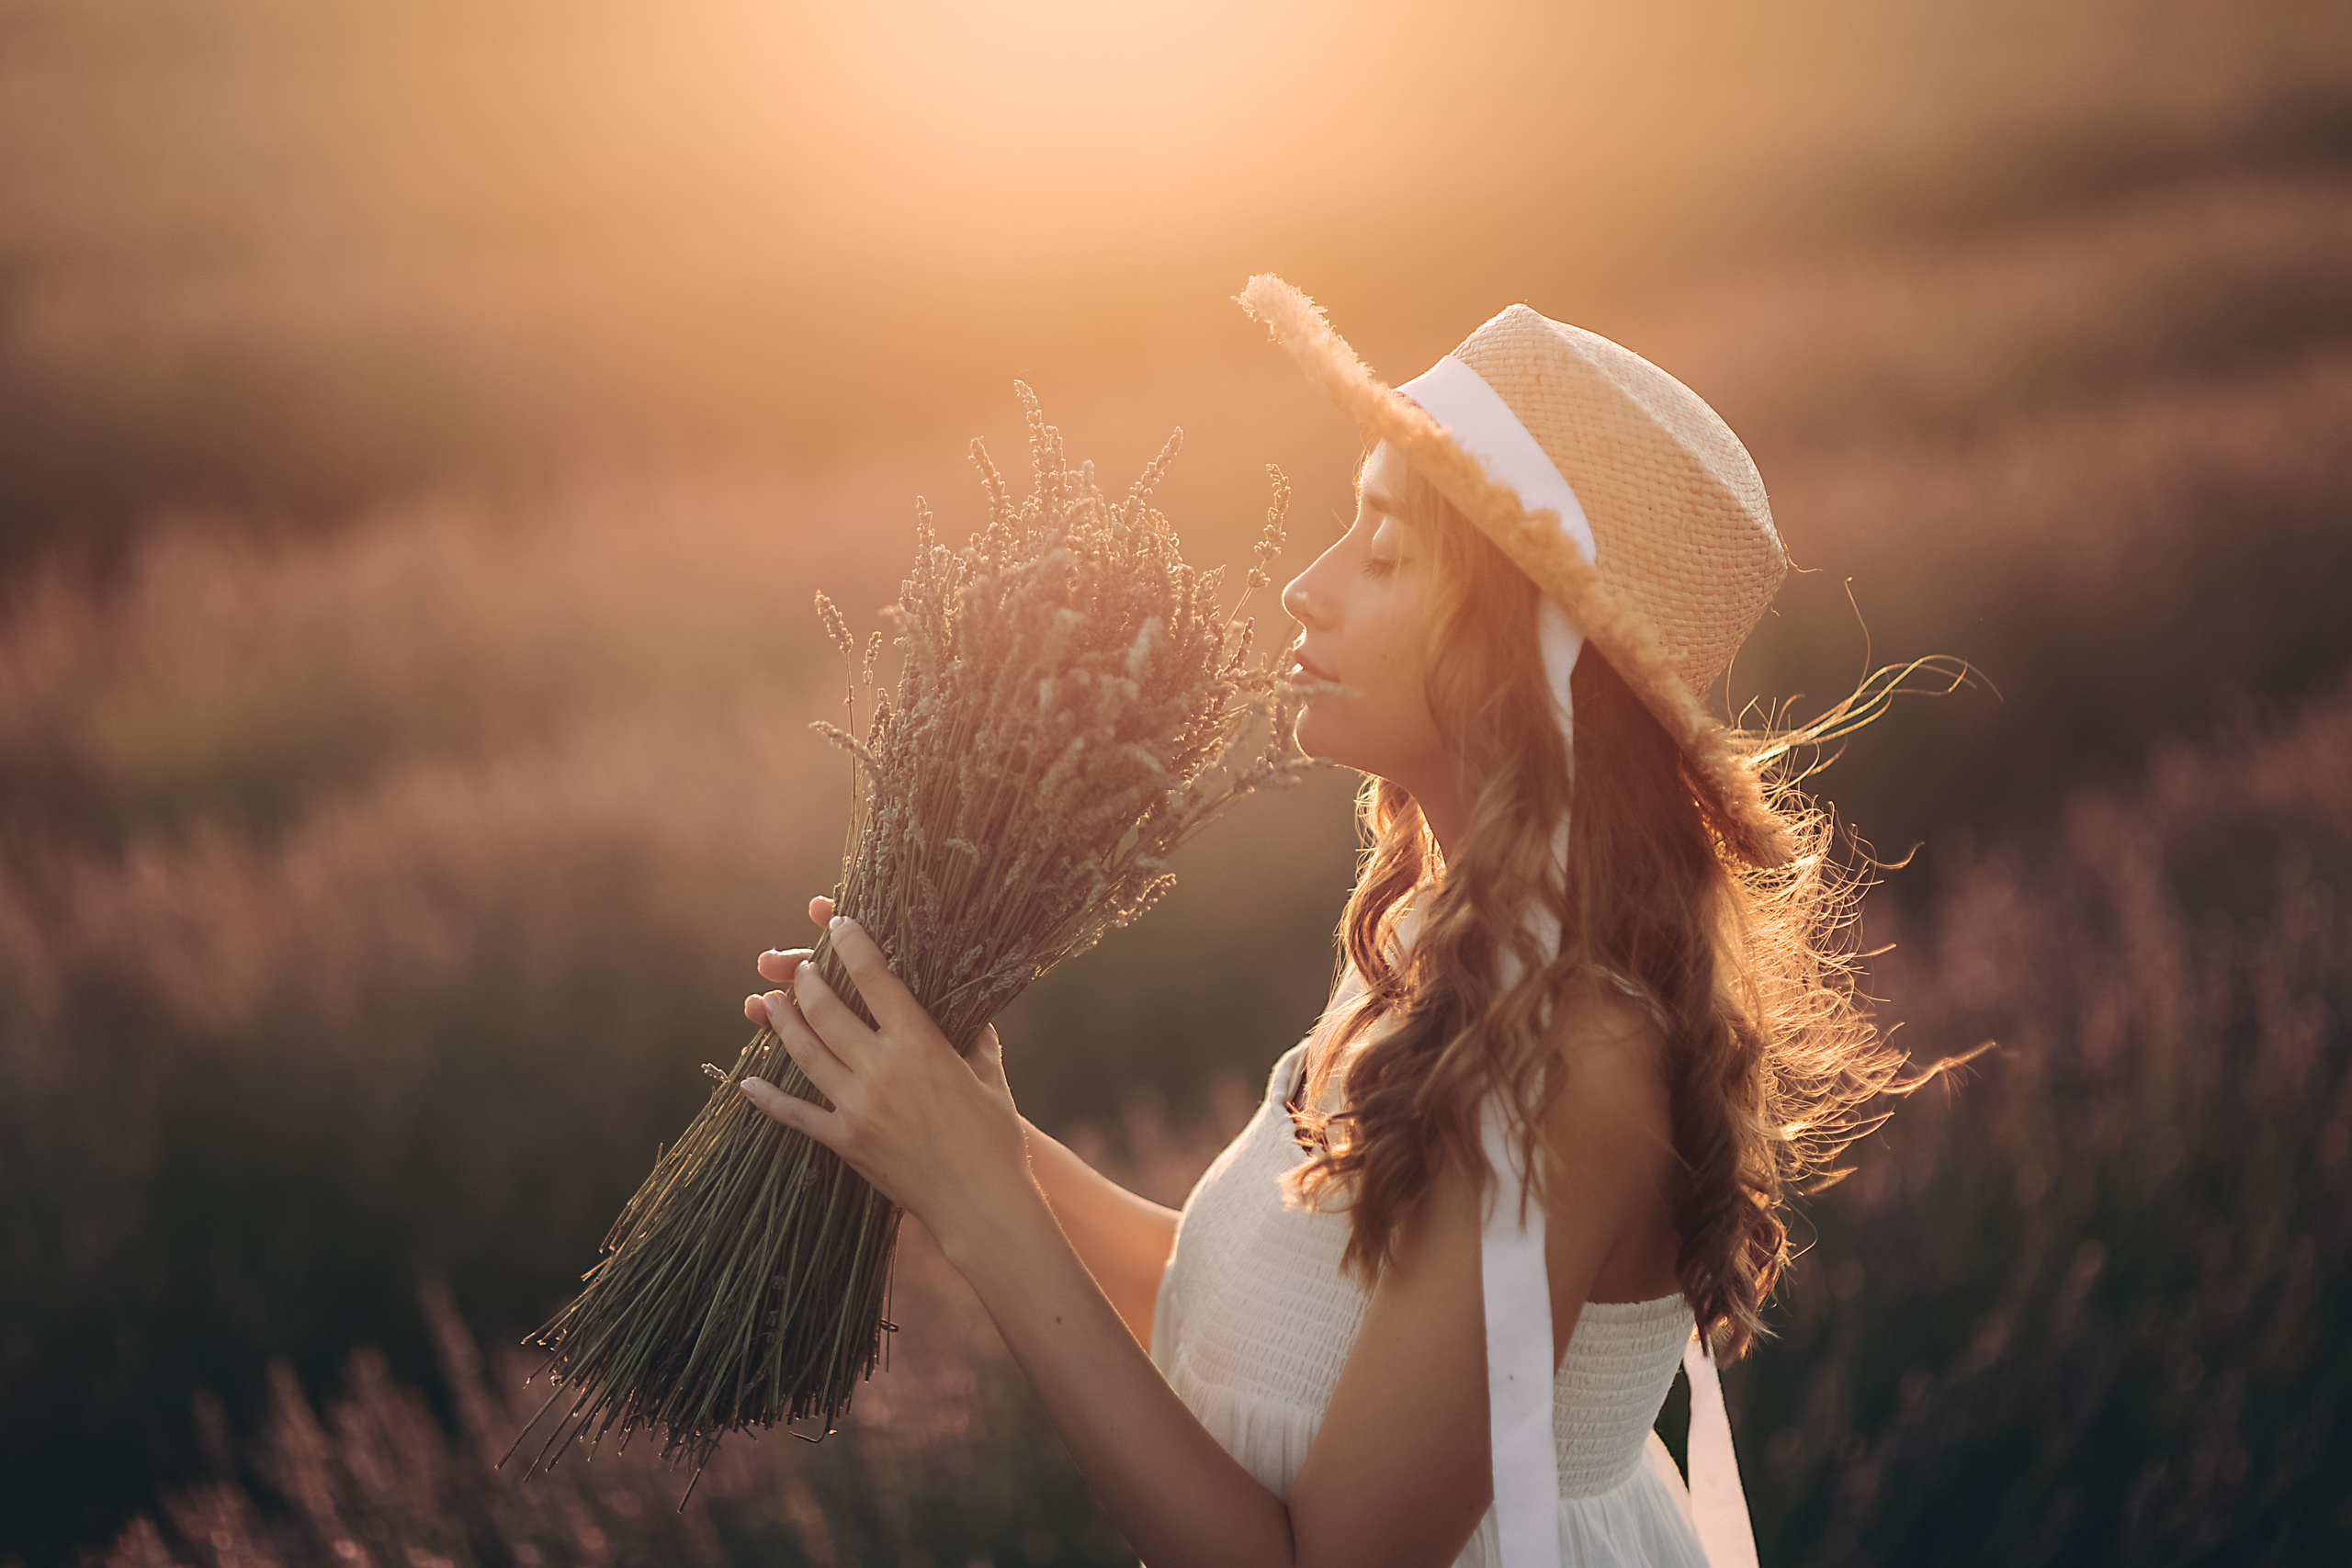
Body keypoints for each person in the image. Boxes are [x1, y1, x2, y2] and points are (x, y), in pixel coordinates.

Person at [736, 276, 1924, 1567]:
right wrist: (980, 1136)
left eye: (1386, 551)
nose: (1305, 587)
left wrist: (977, 1203)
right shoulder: (1444, 934)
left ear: (1528, 643)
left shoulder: (1573, 1055)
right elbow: (1261, 1326)